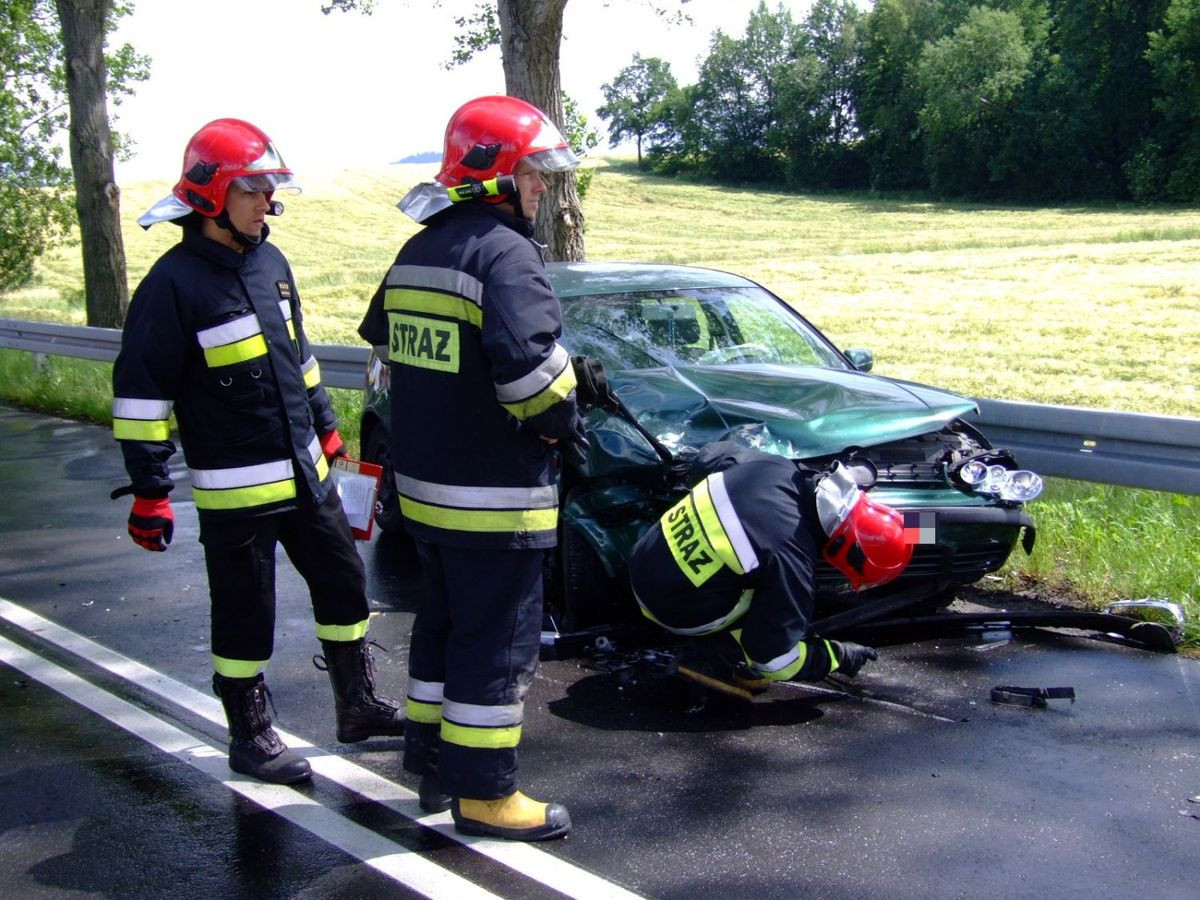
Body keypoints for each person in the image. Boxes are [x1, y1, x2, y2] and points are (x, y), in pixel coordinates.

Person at [112, 118, 404, 786]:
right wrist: (151, 491)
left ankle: (356, 706)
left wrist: (329, 432)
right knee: (247, 614)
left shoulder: (271, 262)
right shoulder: (172, 285)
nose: (267, 203)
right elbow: (140, 397)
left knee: (345, 584)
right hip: (236, 491)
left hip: (307, 477)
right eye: (253, 190)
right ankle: (249, 734)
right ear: (211, 194)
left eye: (271, 188)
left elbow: (298, 362)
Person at [358, 95, 585, 842]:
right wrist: (568, 408)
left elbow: (389, 346)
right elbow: (531, 385)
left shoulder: (419, 250)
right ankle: (486, 792)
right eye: (530, 172)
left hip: (425, 496)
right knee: (497, 645)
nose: (540, 188)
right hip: (495, 500)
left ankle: (430, 764)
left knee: (443, 630)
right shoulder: (506, 253)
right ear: (493, 175)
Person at [627, 441, 914, 699]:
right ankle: (713, 657)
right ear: (846, 553)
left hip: (643, 557)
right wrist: (836, 655)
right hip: (669, 608)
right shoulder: (791, 557)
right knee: (772, 616)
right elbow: (776, 659)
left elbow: (709, 455)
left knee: (752, 570)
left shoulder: (774, 467)